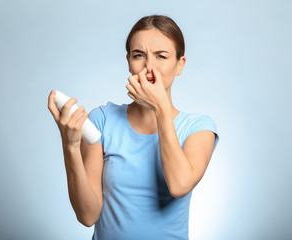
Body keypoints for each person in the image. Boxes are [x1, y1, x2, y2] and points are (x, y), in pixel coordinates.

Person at [48, 14, 219, 240]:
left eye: (161, 56)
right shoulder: (102, 120)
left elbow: (179, 185)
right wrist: (70, 145)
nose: (149, 67)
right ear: (129, 61)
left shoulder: (198, 128)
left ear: (180, 65)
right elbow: (87, 215)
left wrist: (160, 109)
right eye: (139, 55)